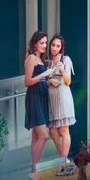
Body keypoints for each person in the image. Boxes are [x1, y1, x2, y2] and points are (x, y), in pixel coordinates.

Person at [24, 31, 54, 172]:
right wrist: (45, 74)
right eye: (41, 43)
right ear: (35, 44)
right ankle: (34, 168)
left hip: (41, 98)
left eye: (45, 43)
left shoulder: (40, 59)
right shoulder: (31, 58)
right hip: (34, 99)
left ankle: (34, 170)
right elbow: (27, 82)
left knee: (36, 136)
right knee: (44, 135)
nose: (44, 45)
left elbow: (40, 82)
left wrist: (49, 81)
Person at [46, 34, 76, 163]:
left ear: (61, 48)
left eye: (58, 46)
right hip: (51, 99)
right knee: (52, 132)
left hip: (63, 96)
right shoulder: (47, 62)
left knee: (64, 129)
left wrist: (62, 71)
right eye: (53, 45)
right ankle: (63, 160)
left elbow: (68, 81)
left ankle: (63, 161)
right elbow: (43, 81)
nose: (55, 48)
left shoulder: (66, 60)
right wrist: (50, 80)